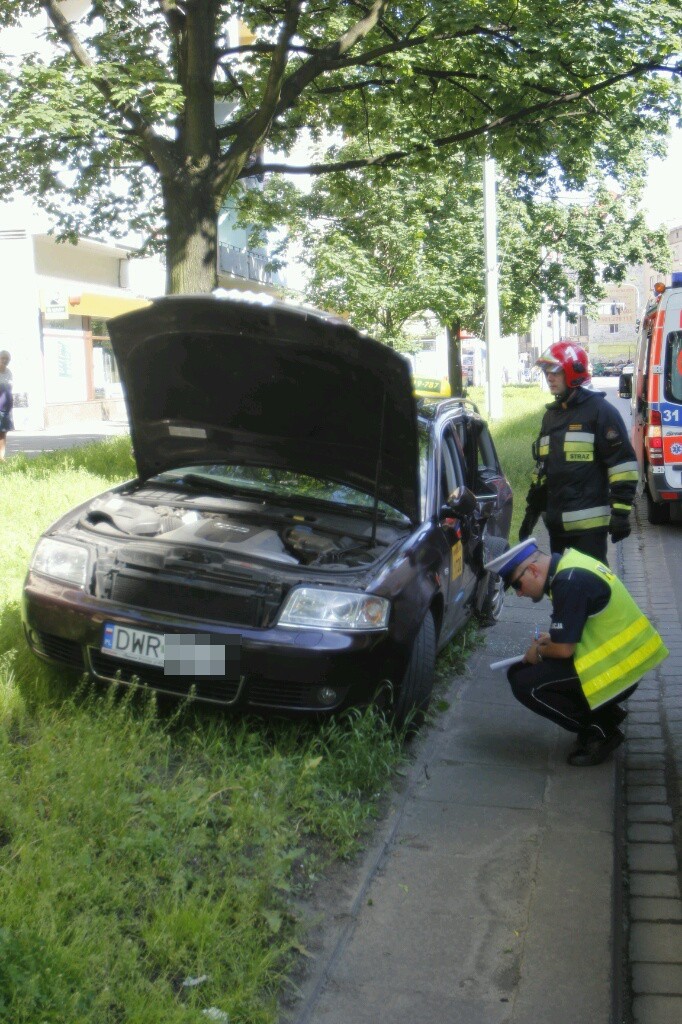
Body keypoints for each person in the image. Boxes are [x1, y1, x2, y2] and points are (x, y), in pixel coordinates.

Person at [485, 538, 668, 766]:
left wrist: (538, 652)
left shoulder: (568, 582)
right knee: (522, 671)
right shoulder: (570, 566)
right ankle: (605, 714)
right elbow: (585, 621)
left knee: (525, 683)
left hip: (618, 669)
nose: (519, 594)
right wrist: (551, 640)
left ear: (532, 570)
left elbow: (563, 650)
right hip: (624, 660)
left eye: (516, 586)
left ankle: (602, 731)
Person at [518, 342, 638, 564]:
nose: (549, 378)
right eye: (546, 372)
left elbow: (623, 465)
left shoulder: (601, 412)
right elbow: (543, 469)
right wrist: (532, 510)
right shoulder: (551, 416)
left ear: (573, 372)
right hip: (556, 528)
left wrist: (621, 513)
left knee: (588, 592)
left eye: (555, 371)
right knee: (561, 592)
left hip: (589, 532)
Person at [0, 349, 13, 461]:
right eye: (3, 358)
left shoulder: (9, 372)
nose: (5, 361)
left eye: (7, 359)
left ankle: (2, 457)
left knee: (3, 433)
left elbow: (9, 389)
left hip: (6, 408)